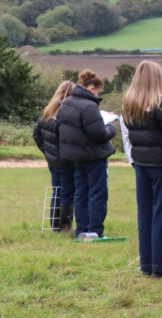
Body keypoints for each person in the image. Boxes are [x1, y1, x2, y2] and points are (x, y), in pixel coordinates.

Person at [123, 60, 162, 277]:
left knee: (145, 213)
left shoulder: (129, 103)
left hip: (140, 163)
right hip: (161, 164)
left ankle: (146, 264)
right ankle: (161, 266)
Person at [58, 70, 116, 239]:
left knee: (81, 193)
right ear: (91, 87)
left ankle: (81, 229)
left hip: (76, 156)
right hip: (93, 157)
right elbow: (99, 134)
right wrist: (111, 127)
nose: (98, 94)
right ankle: (95, 230)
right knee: (97, 193)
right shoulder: (89, 106)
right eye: (98, 91)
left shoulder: (67, 102)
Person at [33, 80, 76, 233]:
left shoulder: (47, 111)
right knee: (67, 192)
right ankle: (65, 226)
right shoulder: (66, 113)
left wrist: (47, 152)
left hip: (52, 161)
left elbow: (36, 134)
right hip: (65, 161)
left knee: (56, 191)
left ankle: (55, 226)